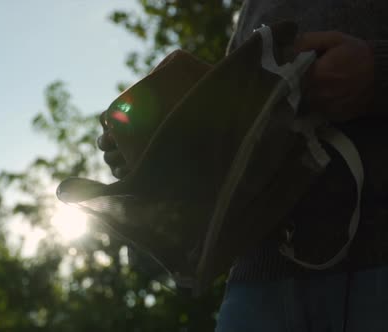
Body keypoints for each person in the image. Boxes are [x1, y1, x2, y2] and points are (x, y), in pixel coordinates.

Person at [97, 1, 388, 331]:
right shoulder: (252, 9)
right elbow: (237, 139)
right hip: (258, 281)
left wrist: (377, 68)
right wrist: (155, 155)